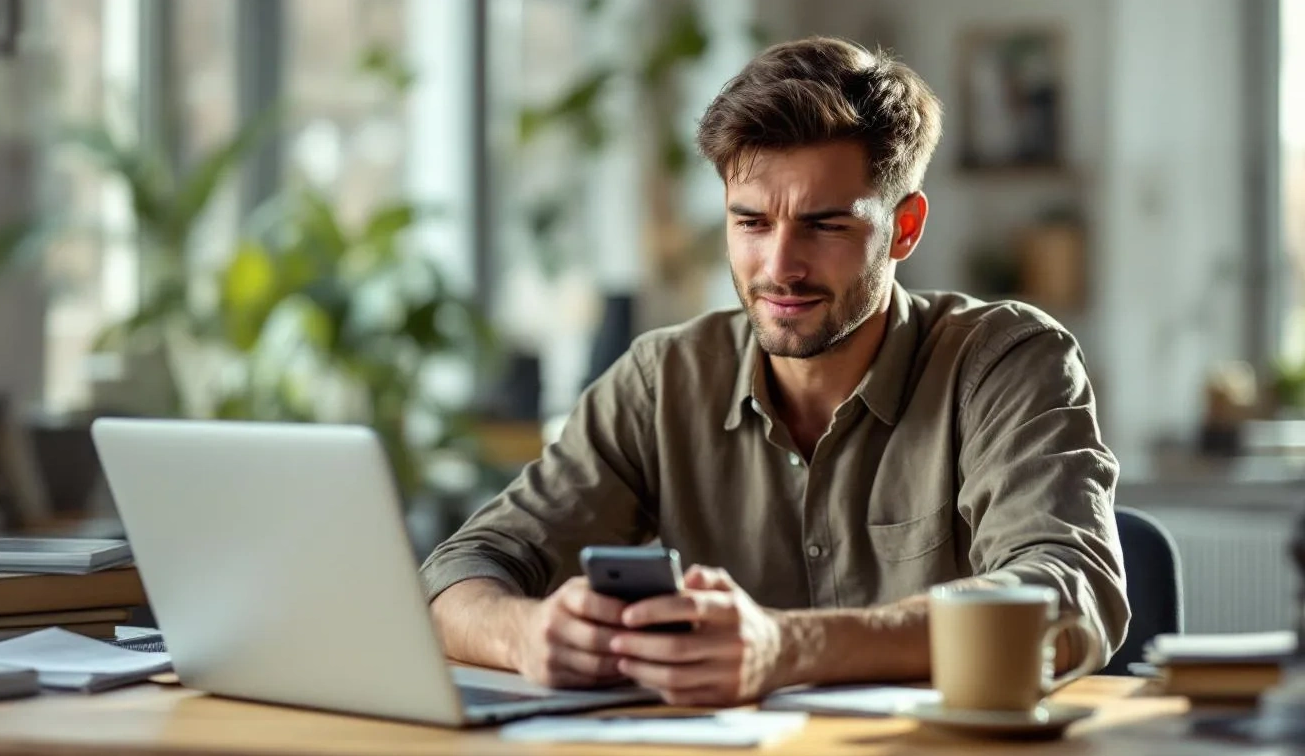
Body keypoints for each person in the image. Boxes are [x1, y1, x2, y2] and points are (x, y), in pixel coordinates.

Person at [421, 36, 1128, 706]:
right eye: (751, 223)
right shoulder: (660, 379)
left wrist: (789, 647)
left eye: (823, 225)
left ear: (904, 228)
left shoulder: (1005, 363)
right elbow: (459, 571)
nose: (779, 268)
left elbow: (1067, 592)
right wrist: (526, 635)